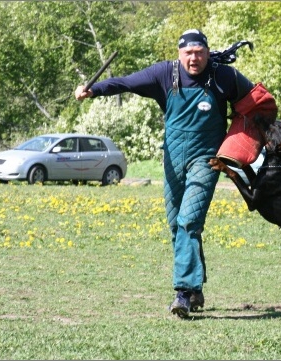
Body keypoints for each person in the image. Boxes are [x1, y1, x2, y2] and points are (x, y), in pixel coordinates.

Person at [75, 29, 258, 318]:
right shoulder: (164, 74)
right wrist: (94, 89)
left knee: (189, 221)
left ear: (208, 52)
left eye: (199, 52)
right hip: (172, 159)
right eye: (188, 53)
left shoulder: (224, 77)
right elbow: (125, 82)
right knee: (176, 225)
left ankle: (183, 293)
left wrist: (246, 142)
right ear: (179, 53)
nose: (194, 58)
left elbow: (255, 103)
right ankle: (196, 288)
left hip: (206, 158)